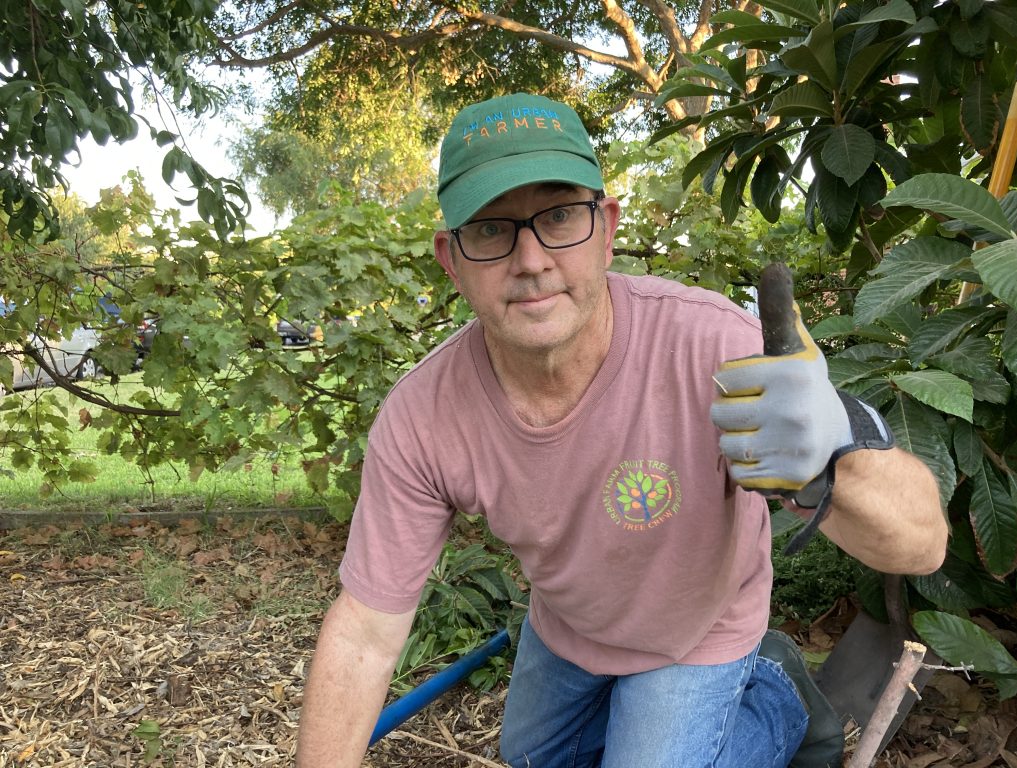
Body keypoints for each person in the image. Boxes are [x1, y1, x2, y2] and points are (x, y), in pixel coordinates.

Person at [296, 92, 948, 768]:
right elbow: (365, 634)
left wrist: (830, 463)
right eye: (491, 229)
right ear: (451, 257)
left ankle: (776, 697)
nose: (531, 259)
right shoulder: (423, 415)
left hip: (700, 629)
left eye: (559, 215)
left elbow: (921, 546)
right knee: (533, 758)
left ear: (606, 228)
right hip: (571, 626)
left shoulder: (717, 350)